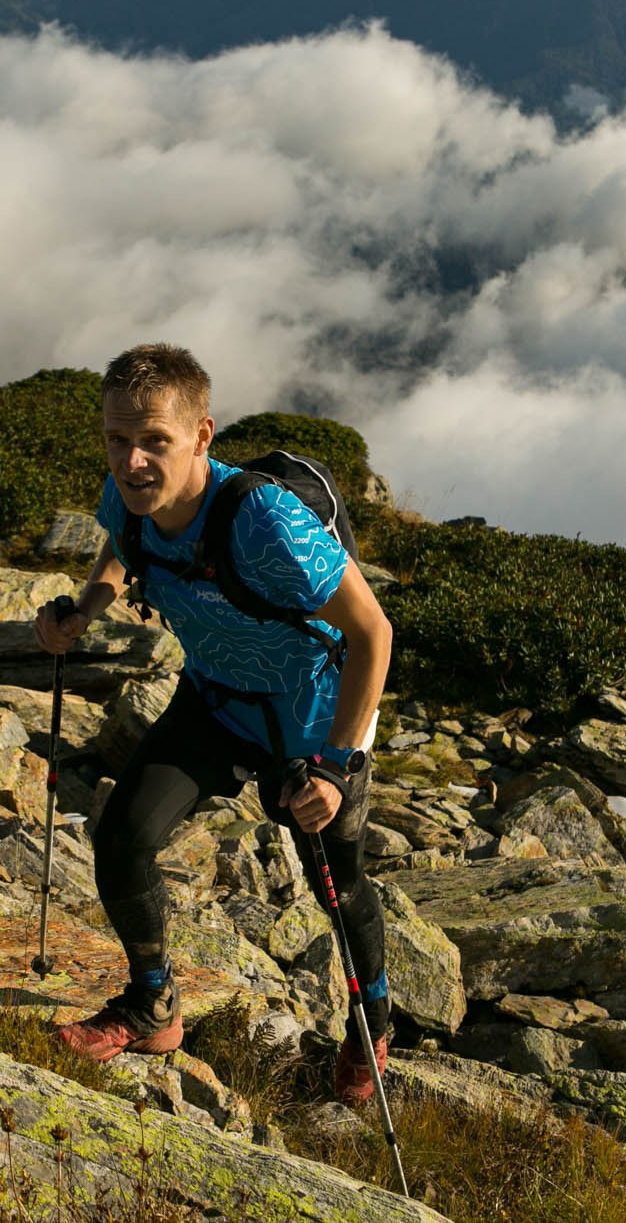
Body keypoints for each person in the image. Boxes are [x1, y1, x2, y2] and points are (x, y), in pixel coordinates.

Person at [34, 343, 395, 1104]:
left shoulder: (265, 522)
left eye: (154, 441)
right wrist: (86, 609)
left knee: (340, 888)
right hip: (215, 702)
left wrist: (335, 765)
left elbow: (373, 633)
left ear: (201, 435)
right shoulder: (129, 494)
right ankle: (152, 1004)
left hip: (310, 723)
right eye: (115, 439)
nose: (131, 461)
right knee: (124, 836)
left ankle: (373, 1025)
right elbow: (119, 545)